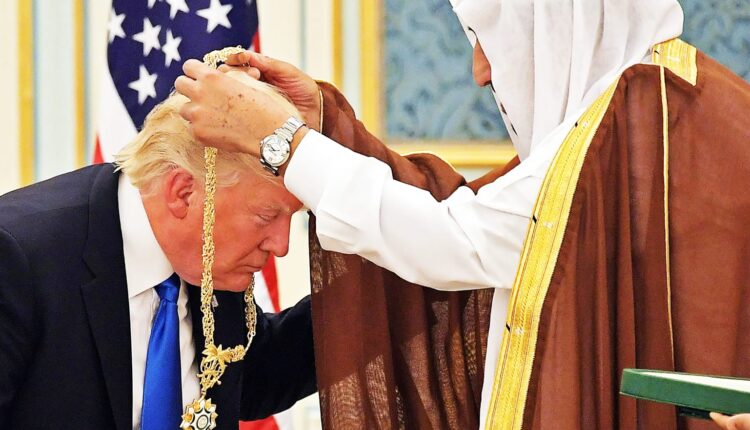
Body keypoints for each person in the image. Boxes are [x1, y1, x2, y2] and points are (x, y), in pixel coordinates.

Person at [176, 0, 750, 428]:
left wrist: (284, 143)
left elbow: (460, 239)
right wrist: (324, 125)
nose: (480, 71)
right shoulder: (643, 109)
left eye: (488, 40)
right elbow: (465, 214)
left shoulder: (649, 121)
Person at [0, 72, 316, 429]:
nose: (281, 245)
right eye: (267, 216)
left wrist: (362, 289)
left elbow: (255, 376)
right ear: (183, 193)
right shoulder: (18, 257)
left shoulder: (208, 261)